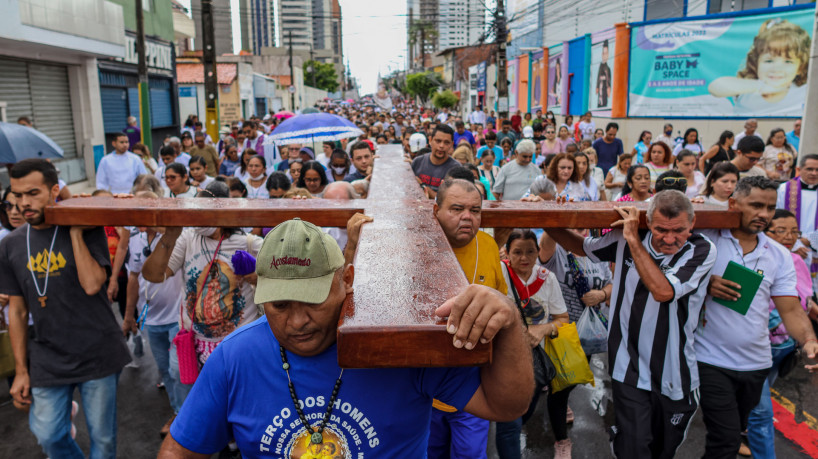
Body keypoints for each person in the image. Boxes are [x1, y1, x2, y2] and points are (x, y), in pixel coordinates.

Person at [158, 214, 533, 458]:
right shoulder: (234, 358)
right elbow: (179, 450)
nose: (297, 322)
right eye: (279, 306)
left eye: (313, 300)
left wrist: (510, 321)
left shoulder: (397, 344)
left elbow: (506, 407)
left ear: (347, 281)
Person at [545, 190, 717, 459]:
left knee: (663, 451)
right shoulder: (629, 237)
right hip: (629, 368)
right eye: (660, 230)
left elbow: (662, 291)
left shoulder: (701, 248)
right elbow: (581, 247)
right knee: (634, 450)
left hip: (676, 372)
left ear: (691, 225)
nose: (669, 239)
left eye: (679, 231)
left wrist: (632, 240)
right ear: (648, 221)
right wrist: (546, 217)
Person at [2, 159, 131, 459]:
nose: (23, 203)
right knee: (48, 434)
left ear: (54, 190)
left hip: (97, 350)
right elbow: (17, 313)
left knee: (104, 441)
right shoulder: (10, 246)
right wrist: (21, 371)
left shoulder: (87, 227)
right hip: (48, 354)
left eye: (32, 193)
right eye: (17, 195)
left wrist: (74, 233)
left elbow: (91, 284)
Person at [696, 176, 818, 458]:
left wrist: (809, 339)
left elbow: (790, 309)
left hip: (757, 364)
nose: (764, 214)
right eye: (756, 205)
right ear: (733, 203)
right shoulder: (705, 239)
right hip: (710, 360)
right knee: (724, 441)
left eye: (770, 207)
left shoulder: (778, 255)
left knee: (735, 432)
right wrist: (704, 283)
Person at [142, 182, 263, 414]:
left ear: (222, 211)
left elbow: (281, 277)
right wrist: (170, 235)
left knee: (237, 403)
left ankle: (233, 444)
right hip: (192, 345)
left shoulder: (249, 243)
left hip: (236, 347)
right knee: (196, 408)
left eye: (203, 210)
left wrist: (259, 277)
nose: (197, 217)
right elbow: (153, 275)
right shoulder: (187, 239)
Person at [428, 178, 513, 459]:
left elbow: (502, 304)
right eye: (456, 209)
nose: (467, 217)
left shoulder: (488, 245)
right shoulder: (419, 248)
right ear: (435, 211)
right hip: (425, 383)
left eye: (475, 210)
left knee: (470, 454)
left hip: (474, 382)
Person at [745, 209, 817, 458]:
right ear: (765, 231)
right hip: (754, 349)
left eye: (794, 231)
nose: (789, 236)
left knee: (753, 403)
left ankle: (739, 427)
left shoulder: (797, 262)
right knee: (762, 412)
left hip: (784, 347)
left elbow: (803, 302)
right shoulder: (751, 260)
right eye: (781, 231)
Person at [538, 228, 613, 459]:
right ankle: (562, 440)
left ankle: (559, 396)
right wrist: (555, 214)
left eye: (584, 228)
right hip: (561, 334)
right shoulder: (557, 253)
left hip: (588, 335)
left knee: (574, 379)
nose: (579, 234)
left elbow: (611, 284)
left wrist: (600, 295)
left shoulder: (597, 253)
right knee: (559, 390)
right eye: (573, 229)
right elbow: (547, 239)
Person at [496, 230, 569, 459]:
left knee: (523, 413)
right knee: (508, 424)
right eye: (517, 252)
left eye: (530, 251)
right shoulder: (499, 274)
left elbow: (562, 319)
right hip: (504, 363)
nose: (524, 258)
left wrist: (542, 329)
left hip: (536, 365)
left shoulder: (548, 278)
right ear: (506, 253)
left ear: (539, 251)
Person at [121, 193, 186, 436]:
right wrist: (129, 315)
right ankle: (178, 412)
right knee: (165, 372)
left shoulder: (176, 235)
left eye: (145, 211)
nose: (139, 217)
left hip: (177, 318)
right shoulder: (136, 240)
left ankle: (186, 418)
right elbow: (133, 277)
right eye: (136, 212)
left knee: (178, 370)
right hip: (152, 318)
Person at [708, 19, 810, 116]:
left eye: (788, 61)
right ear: (756, 63)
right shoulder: (748, 92)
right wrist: (761, 87)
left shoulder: (802, 92)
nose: (776, 69)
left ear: (800, 68)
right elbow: (715, 87)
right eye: (769, 61)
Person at [776, 154, 818, 286]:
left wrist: (812, 240)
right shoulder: (784, 189)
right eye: (809, 169)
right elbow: (775, 218)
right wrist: (796, 243)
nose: (814, 173)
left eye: (817, 170)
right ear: (799, 169)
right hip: (790, 248)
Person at [412, 125, 459, 199]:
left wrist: (422, 185)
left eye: (446, 142)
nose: (441, 146)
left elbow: (449, 201)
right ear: (430, 140)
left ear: (451, 145)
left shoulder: (456, 169)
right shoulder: (417, 162)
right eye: (438, 141)